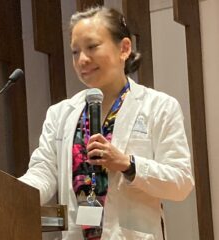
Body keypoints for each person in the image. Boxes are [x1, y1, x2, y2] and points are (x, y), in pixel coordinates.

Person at [19, 6, 194, 240]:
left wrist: (127, 164)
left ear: (124, 48)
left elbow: (180, 182)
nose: (82, 59)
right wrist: (8, 191)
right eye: (75, 52)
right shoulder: (60, 113)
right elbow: (42, 172)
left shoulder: (159, 107)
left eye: (92, 47)